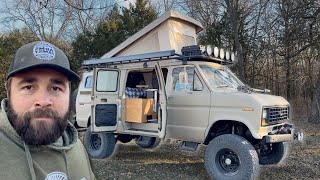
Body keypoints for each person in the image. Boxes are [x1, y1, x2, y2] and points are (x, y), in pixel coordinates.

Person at [0, 41, 95, 180]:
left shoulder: (75, 145)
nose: (43, 101)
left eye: (56, 88)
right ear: (8, 91)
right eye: (28, 87)